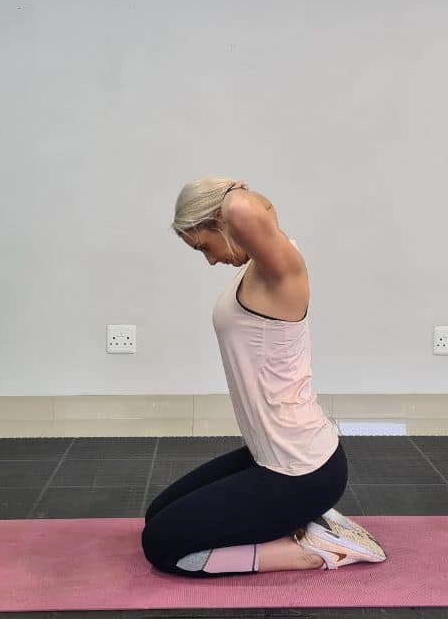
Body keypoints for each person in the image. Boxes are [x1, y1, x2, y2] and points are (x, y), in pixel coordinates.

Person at [141, 177, 386, 577]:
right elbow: (257, 211)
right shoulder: (257, 269)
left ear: (222, 220)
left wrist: (232, 194)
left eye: (205, 247)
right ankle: (308, 521)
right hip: (271, 459)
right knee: (157, 516)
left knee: (162, 546)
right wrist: (232, 198)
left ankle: (315, 549)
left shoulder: (282, 271)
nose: (211, 260)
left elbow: (245, 210)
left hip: (302, 472)